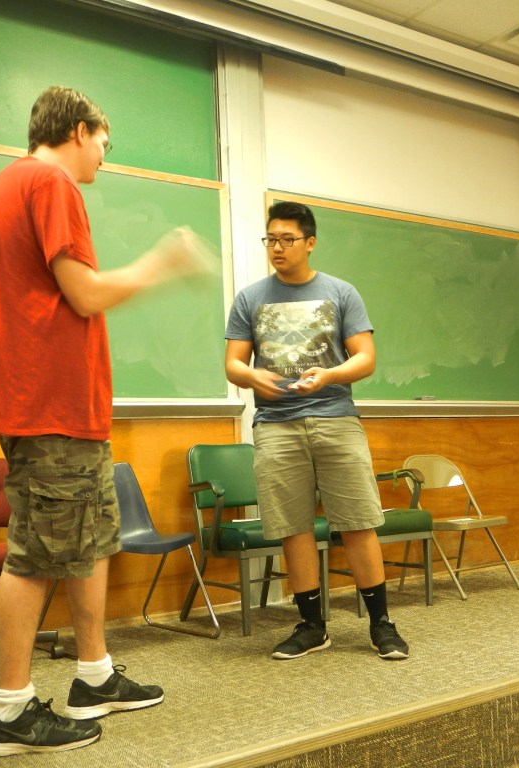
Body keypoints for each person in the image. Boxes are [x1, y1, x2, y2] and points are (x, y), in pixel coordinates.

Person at [0, 85, 213, 757]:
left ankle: (93, 675)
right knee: (38, 556)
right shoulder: (49, 181)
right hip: (48, 404)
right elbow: (86, 292)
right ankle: (8, 713)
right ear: (77, 130)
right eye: (104, 140)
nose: (105, 155)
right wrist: (164, 261)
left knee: (90, 539)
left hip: (60, 404)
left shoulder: (7, 186)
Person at [224, 200, 409, 661]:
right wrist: (252, 377)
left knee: (358, 521)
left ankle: (381, 623)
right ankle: (311, 626)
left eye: (287, 239)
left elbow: (365, 358)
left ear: (310, 242)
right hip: (275, 425)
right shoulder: (250, 298)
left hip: (335, 418)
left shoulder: (341, 292)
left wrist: (328, 376)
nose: (277, 248)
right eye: (270, 239)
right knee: (293, 527)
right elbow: (233, 364)